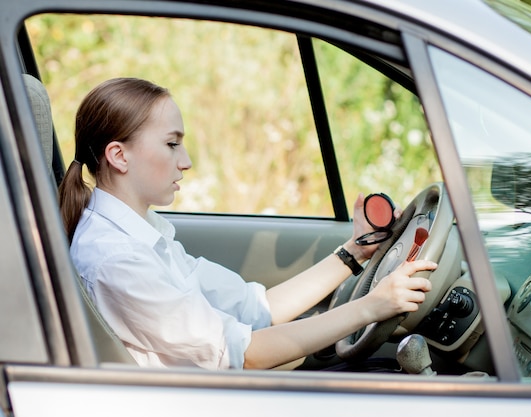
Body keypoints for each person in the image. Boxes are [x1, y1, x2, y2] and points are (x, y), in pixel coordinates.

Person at [58, 77, 437, 370]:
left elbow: (257, 307)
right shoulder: (117, 259)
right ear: (118, 156)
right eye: (172, 144)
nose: (186, 161)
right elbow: (245, 354)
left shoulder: (143, 232)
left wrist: (354, 252)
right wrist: (373, 305)